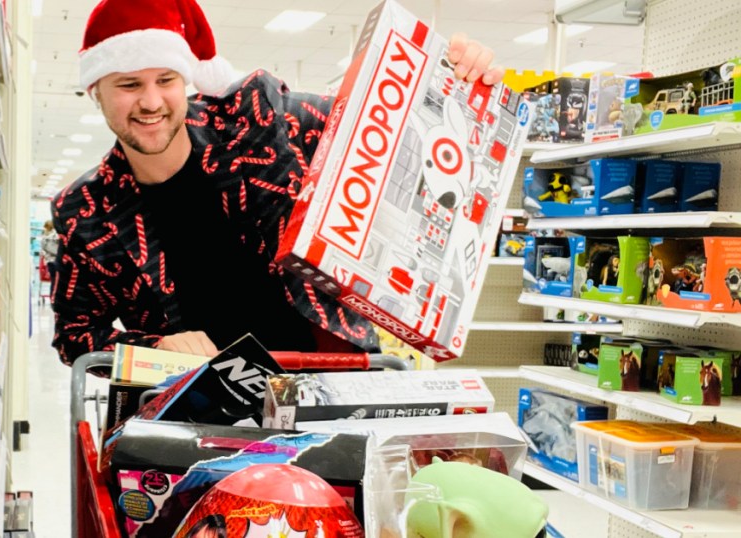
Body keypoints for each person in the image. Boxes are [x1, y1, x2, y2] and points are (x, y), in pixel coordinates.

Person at [50, 0, 506, 364]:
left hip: (327, 375)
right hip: (192, 411)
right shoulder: (84, 211)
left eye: (165, 80)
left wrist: (455, 75)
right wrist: (154, 348)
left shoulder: (263, 122)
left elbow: (389, 125)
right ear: (96, 92)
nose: (151, 101)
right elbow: (75, 338)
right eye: (129, 85)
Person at [39, 220, 60, 287]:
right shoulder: (55, 236)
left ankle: (52, 296)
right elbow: (55, 250)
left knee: (53, 281)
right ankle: (54, 296)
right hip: (56, 260)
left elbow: (43, 249)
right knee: (57, 282)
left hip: (49, 261)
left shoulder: (45, 237)